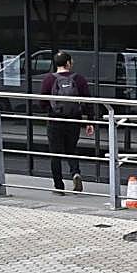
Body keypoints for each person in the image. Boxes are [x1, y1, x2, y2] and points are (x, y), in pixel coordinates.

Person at [40, 51, 94, 193]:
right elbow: (88, 101)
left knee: (55, 153)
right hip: (73, 119)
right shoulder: (79, 79)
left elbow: (42, 103)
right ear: (68, 63)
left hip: (55, 120)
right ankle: (75, 173)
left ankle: (58, 186)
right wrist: (90, 121)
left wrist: (51, 110)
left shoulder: (48, 79)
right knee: (71, 149)